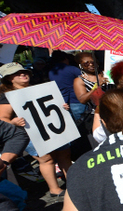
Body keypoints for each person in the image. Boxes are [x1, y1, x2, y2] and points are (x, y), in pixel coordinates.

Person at [0, 62, 71, 197]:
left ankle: (73, 183)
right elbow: (2, 119)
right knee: (47, 160)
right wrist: (13, 122)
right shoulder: (6, 97)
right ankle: (55, 189)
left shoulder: (38, 89)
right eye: (17, 73)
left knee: (64, 155)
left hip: (53, 128)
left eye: (24, 72)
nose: (23, 74)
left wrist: (62, 107)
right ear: (9, 78)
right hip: (31, 133)